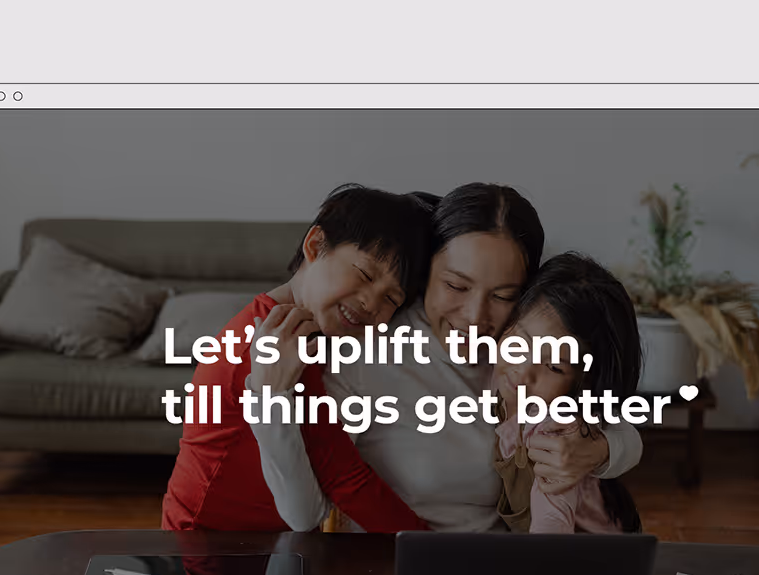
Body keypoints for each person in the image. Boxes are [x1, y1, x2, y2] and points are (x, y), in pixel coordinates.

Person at [249, 183, 644, 532]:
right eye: (456, 285)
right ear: (426, 274)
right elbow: (304, 515)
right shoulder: (370, 348)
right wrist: (269, 400)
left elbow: (614, 416)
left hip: (498, 574)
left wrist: (600, 450)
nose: (475, 318)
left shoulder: (521, 350)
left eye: (504, 295)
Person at [161, 184, 435, 532]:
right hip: (208, 548)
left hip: (244, 541)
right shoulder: (274, 346)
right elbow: (343, 481)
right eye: (365, 274)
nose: (371, 303)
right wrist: (432, 550)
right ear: (315, 245)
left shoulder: (304, 330)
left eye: (391, 299)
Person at [490, 252, 643, 533]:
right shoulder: (498, 381)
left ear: (581, 384)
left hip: (595, 557)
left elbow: (553, 521)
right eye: (521, 343)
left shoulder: (554, 430)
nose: (523, 372)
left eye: (554, 367)